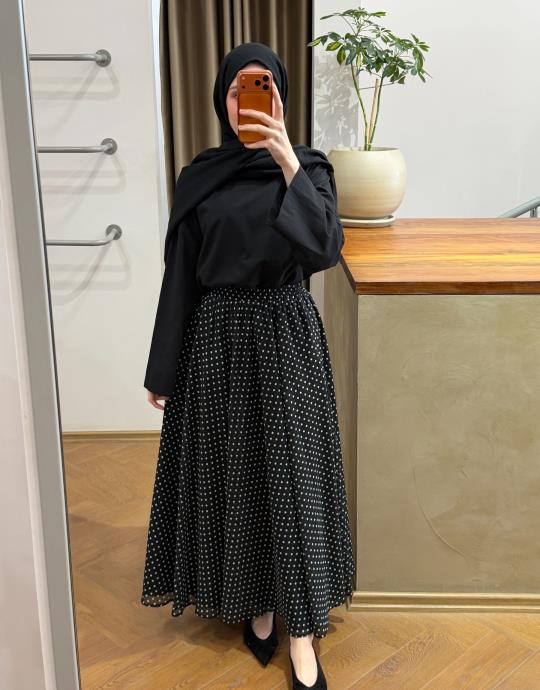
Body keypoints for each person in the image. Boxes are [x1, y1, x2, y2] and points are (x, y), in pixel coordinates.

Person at [140, 41, 355, 689]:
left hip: (287, 335)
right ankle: (257, 604)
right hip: (218, 343)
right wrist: (163, 370)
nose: (247, 102)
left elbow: (323, 248)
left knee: (293, 478)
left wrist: (286, 159)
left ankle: (302, 634)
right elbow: (181, 278)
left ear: (281, 98)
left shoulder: (309, 168)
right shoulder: (201, 177)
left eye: (263, 88)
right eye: (238, 90)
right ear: (222, 99)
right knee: (239, 476)